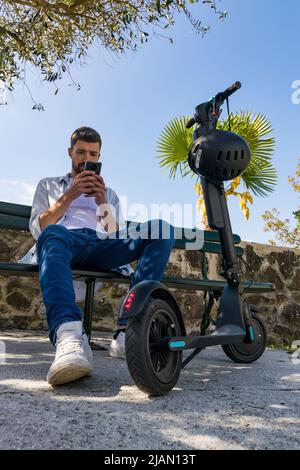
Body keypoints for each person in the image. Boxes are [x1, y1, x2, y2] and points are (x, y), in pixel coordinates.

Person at [20, 126, 175, 386]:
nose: (86, 158)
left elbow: (114, 234)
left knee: (161, 230)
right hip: (63, 241)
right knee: (54, 233)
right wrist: (70, 194)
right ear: (70, 152)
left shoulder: (110, 193)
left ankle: (128, 331)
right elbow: (40, 228)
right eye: (80, 152)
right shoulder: (47, 185)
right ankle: (69, 336)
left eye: (93, 153)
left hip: (101, 244)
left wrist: (102, 199)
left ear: (99, 156)